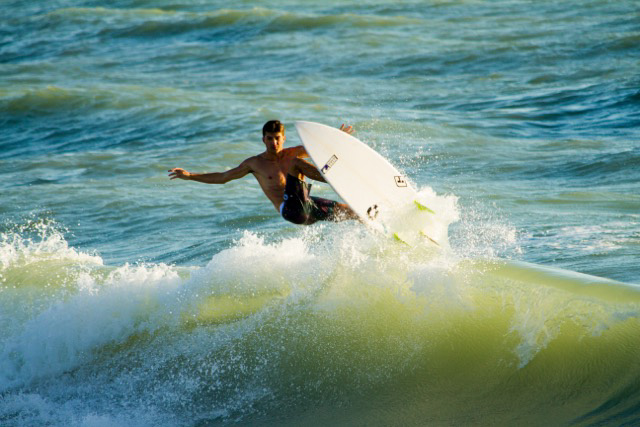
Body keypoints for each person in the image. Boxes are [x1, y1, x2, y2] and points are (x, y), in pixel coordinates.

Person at [168, 120, 359, 225]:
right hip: (290, 211)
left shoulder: (292, 152)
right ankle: (337, 180)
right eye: (269, 139)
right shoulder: (255, 163)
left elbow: (319, 147)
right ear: (263, 140)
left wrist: (337, 136)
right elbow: (223, 177)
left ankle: (377, 229)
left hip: (307, 207)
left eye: (277, 138)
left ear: (283, 138)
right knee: (297, 164)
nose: (274, 143)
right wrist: (190, 176)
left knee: (352, 212)